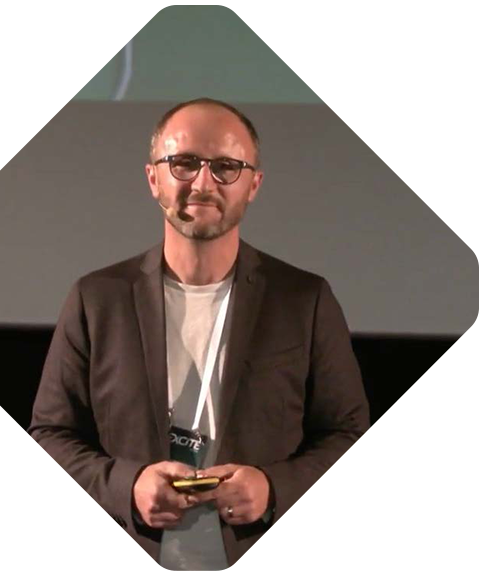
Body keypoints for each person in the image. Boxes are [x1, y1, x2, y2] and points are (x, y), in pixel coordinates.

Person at [27, 98, 371, 569]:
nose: (204, 182)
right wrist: (126, 486)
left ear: (254, 185)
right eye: (184, 163)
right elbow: (50, 434)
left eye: (227, 166)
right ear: (153, 178)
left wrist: (275, 489)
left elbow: (347, 433)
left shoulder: (304, 301)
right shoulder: (96, 299)